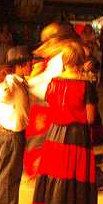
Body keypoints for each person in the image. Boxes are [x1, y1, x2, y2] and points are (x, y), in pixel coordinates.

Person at [27, 40, 99, 204]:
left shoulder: (54, 82)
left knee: (54, 182)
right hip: (77, 138)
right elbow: (91, 117)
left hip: (55, 136)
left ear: (64, 61)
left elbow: (51, 105)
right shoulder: (86, 85)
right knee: (75, 184)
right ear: (81, 60)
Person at [24, 22, 79, 178]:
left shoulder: (63, 57)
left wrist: (30, 82)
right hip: (45, 105)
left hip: (51, 105)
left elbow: (50, 83)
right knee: (41, 141)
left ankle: (45, 171)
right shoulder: (56, 57)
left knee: (48, 141)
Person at [0, 46, 31, 204]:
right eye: (28, 63)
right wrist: (4, 80)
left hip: (11, 134)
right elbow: (1, 95)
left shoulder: (20, 82)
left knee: (6, 173)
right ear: (20, 66)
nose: (31, 66)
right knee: (10, 174)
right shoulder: (10, 84)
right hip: (11, 136)